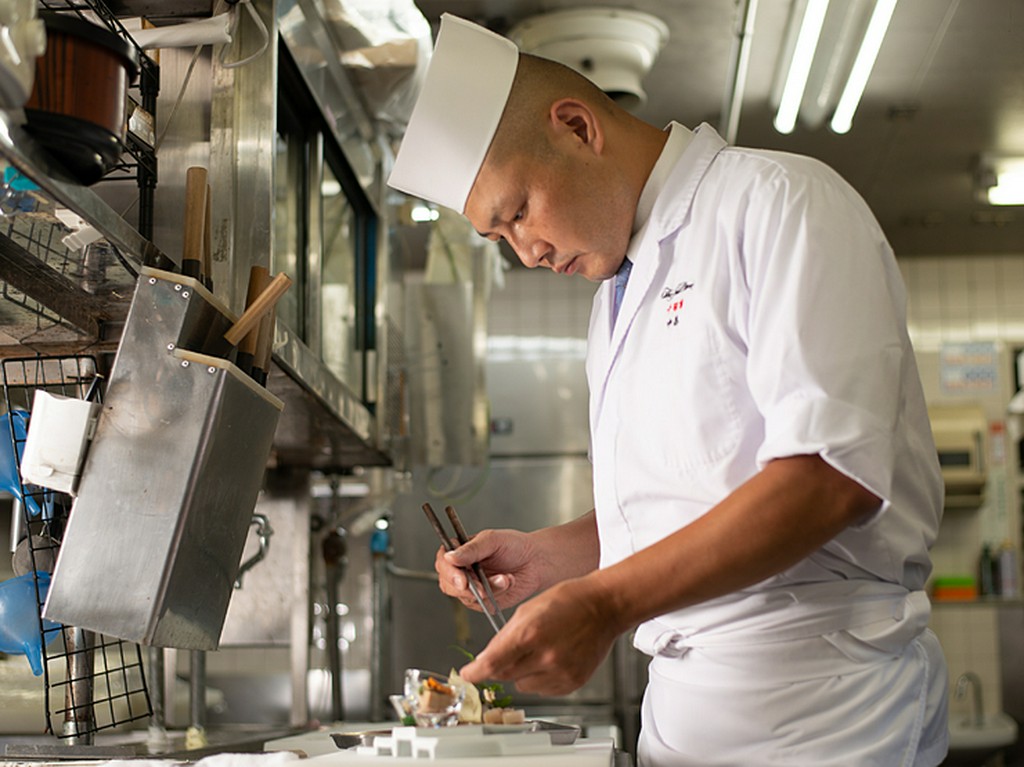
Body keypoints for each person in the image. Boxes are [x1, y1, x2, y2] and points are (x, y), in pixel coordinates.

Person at [388, 14, 949, 767]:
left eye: (519, 212)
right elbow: (692, 496)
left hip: (825, 705)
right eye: (500, 237)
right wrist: (550, 557)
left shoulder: (779, 201)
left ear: (577, 127)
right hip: (681, 715)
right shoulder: (615, 299)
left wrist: (606, 602)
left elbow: (829, 478)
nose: (527, 252)